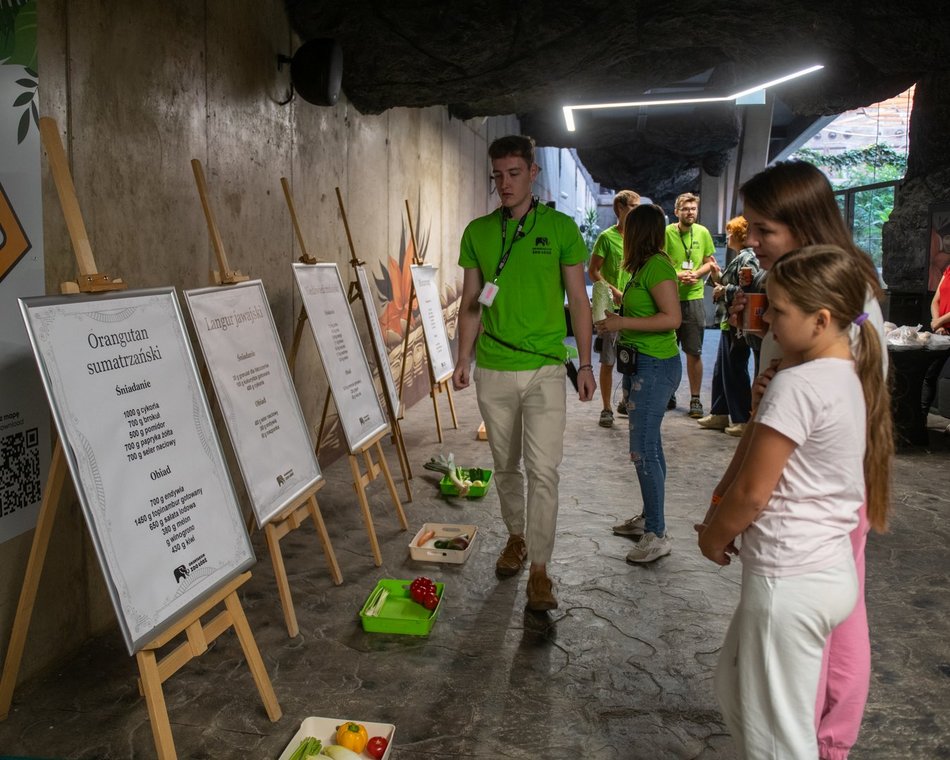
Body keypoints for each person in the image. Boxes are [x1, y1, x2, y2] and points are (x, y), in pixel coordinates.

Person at [718, 160, 888, 760]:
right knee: (827, 626)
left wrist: (725, 518)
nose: (753, 241)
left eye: (764, 230)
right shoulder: (807, 295)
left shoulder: (838, 306)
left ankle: (823, 742)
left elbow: (820, 418)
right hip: (811, 497)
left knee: (805, 658)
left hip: (811, 509)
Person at [453, 134, 596, 612]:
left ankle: (540, 569)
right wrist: (461, 358)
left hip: (544, 369)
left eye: (514, 174)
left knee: (544, 470)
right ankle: (516, 536)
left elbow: (579, 300)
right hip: (493, 367)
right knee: (505, 467)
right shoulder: (477, 232)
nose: (505, 184)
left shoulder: (560, 229)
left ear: (533, 173)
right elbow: (473, 304)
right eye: (497, 175)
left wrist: (588, 364)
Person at [596, 204, 682, 562]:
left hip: (655, 367)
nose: (622, 233)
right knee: (650, 447)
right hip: (642, 367)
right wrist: (619, 314)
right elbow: (647, 310)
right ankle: (650, 518)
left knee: (642, 451)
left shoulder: (658, 267)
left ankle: (657, 533)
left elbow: (672, 318)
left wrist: (621, 325)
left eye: (627, 228)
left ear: (638, 233)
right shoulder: (642, 268)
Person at [696, 216, 760, 436]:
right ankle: (720, 412)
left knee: (734, 369)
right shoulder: (741, 257)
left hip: (737, 321)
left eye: (731, 232)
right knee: (722, 370)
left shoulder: (748, 258)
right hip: (728, 321)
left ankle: (742, 418)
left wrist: (725, 290)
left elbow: (748, 288)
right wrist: (717, 277)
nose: (728, 236)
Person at [589, 189, 640, 428]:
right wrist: (613, 291)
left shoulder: (639, 237)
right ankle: (606, 408)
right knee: (608, 359)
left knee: (632, 359)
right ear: (620, 208)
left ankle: (626, 400)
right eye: (633, 206)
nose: (637, 211)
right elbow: (593, 271)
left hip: (634, 307)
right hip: (610, 306)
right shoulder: (606, 237)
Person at [664, 192, 717, 418]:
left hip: (694, 298)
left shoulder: (703, 233)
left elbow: (710, 263)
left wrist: (696, 273)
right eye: (685, 209)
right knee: (667, 351)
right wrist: (677, 274)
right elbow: (659, 261)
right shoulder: (666, 233)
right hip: (669, 299)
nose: (690, 212)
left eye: (693, 209)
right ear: (677, 212)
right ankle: (668, 393)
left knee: (694, 352)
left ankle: (695, 399)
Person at [921, 263, 950, 414]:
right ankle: (923, 416)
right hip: (943, 332)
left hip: (943, 326)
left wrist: (939, 321)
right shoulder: (948, 269)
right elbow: (935, 301)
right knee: (930, 373)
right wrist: (938, 325)